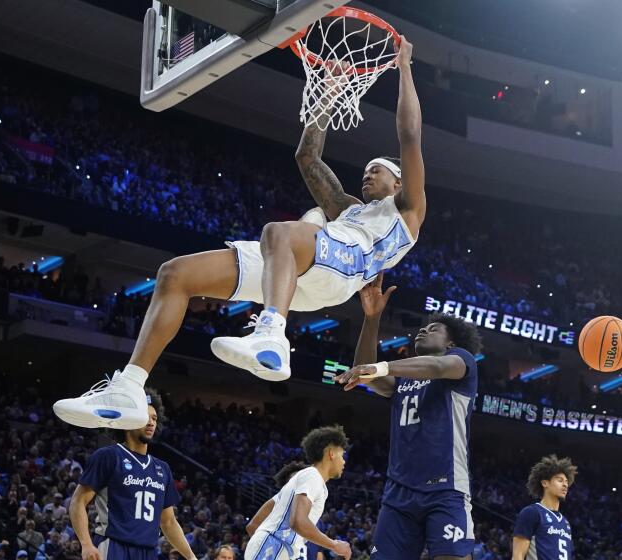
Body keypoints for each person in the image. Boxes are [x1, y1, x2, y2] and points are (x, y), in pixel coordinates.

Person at [52, 36, 427, 430]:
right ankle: (129, 386)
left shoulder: (408, 209)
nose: (367, 173)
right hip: (305, 268)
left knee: (281, 231)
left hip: (344, 267)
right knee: (174, 275)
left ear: (399, 182)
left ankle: (272, 335)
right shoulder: (350, 208)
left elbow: (410, 136)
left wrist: (403, 68)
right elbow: (307, 158)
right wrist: (327, 97)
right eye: (365, 169)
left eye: (377, 170)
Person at [336, 274, 483, 560]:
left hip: (446, 488)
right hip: (399, 492)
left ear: (451, 342)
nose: (423, 331)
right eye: (422, 327)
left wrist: (381, 367)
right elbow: (363, 374)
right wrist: (372, 318)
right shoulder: (402, 381)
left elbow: (437, 368)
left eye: (434, 328)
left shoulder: (461, 361)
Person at [68, 388, 198, 560]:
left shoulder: (163, 468)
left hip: (148, 552)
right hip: (113, 546)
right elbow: (78, 502)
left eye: (154, 418)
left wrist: (191, 557)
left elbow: (168, 522)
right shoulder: (108, 456)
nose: (151, 422)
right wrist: (86, 544)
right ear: (129, 418)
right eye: (145, 417)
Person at [244, 426, 351, 560]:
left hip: (282, 549)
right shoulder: (312, 475)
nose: (344, 461)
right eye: (342, 455)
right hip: (275, 546)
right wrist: (334, 545)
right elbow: (298, 522)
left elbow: (253, 525)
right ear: (331, 454)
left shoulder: (300, 482)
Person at [512, 456, 576, 560]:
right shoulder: (532, 513)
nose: (565, 484)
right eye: (560, 480)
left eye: (566, 482)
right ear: (545, 483)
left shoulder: (566, 523)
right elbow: (517, 556)